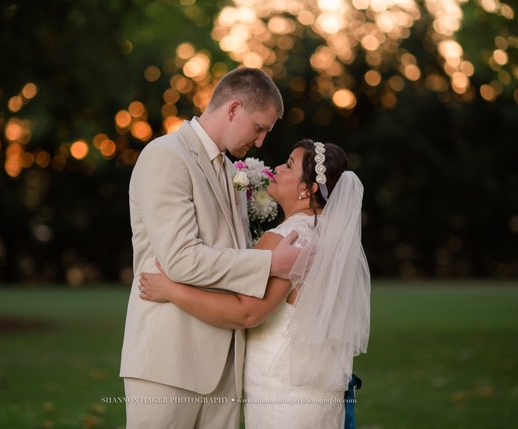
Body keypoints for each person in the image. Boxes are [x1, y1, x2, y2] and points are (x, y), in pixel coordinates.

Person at [139, 140, 371, 429]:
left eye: (288, 165)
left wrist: (172, 290)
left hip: (281, 391)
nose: (276, 168)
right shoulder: (333, 235)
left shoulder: (288, 237)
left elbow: (246, 312)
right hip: (319, 393)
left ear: (308, 189)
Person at [121, 67, 303, 429]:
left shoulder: (230, 171)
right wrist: (269, 263)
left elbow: (226, 254)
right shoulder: (166, 156)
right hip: (170, 363)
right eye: (260, 128)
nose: (263, 142)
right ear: (234, 109)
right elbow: (181, 261)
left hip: (226, 367)